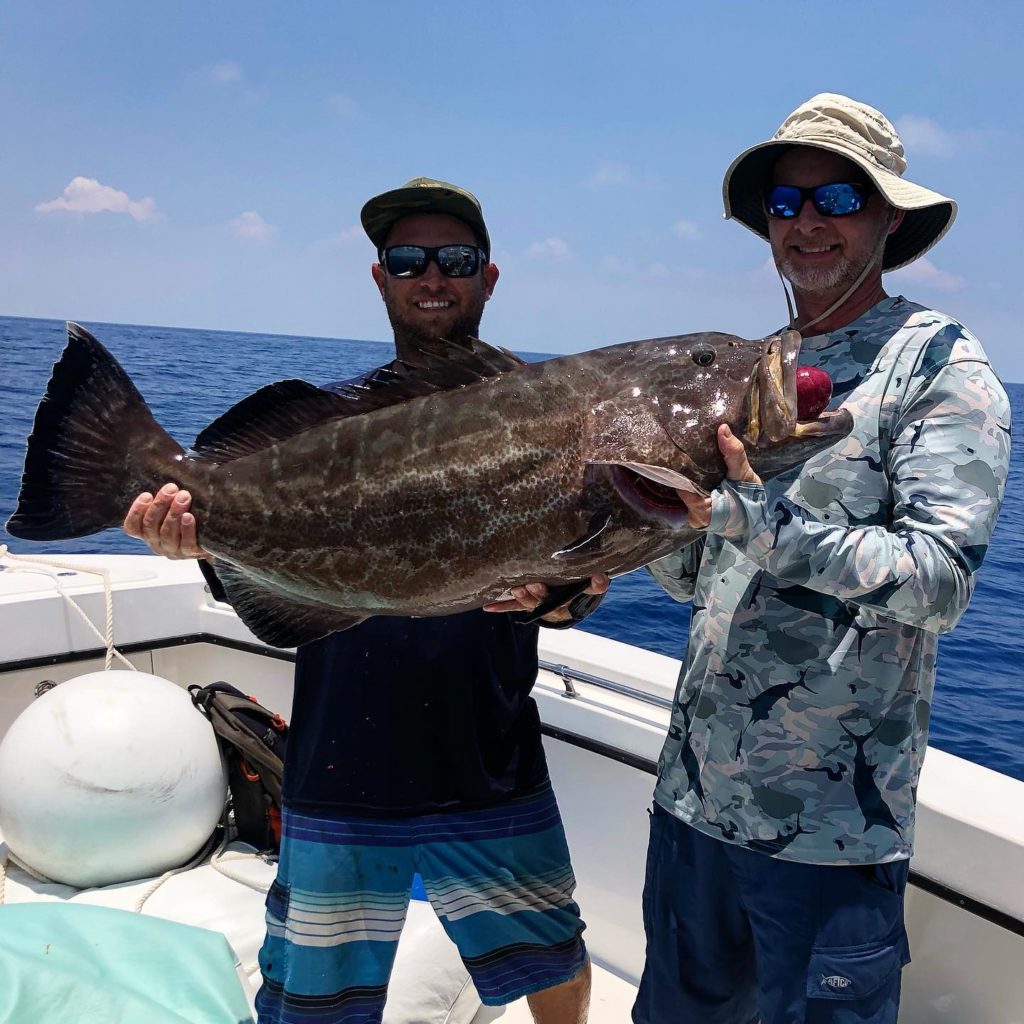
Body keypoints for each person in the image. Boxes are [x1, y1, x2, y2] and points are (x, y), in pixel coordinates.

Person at [123, 177, 606, 1024]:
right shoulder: (327, 425)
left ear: (488, 278)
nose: (431, 276)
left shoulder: (556, 421)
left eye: (453, 259)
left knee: (553, 959)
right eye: (407, 259)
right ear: (379, 278)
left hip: (488, 765)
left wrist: (562, 595)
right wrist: (204, 542)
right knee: (314, 1001)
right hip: (340, 764)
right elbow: (259, 591)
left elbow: (568, 592)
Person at [634, 94, 1011, 1024]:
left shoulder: (937, 365)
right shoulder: (749, 369)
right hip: (691, 810)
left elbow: (938, 583)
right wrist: (651, 524)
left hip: (830, 841)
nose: (807, 222)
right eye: (786, 202)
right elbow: (698, 578)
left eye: (837, 197)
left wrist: (750, 519)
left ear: (887, 215)